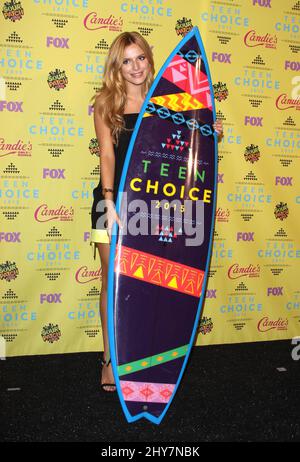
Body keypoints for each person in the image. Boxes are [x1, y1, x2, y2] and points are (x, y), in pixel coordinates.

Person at [90, 31, 223, 392]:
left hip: (158, 210)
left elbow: (183, 150)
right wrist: (109, 200)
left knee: (155, 284)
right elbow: (106, 154)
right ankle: (108, 361)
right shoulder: (106, 103)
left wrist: (206, 132)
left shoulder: (174, 101)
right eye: (126, 60)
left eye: (140, 58)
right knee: (111, 281)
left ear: (150, 59)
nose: (134, 67)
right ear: (117, 66)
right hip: (112, 205)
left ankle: (147, 359)